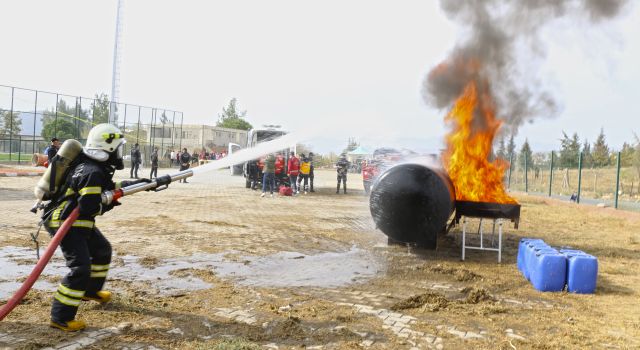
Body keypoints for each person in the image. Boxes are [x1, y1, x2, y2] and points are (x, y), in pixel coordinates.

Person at [43, 123, 150, 331]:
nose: (120, 152)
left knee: (102, 251)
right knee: (80, 268)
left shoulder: (93, 167)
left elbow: (110, 189)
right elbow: (91, 206)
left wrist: (143, 184)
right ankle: (60, 317)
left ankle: (90, 291)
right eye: (118, 148)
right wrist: (109, 200)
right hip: (65, 223)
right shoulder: (91, 171)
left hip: (77, 221)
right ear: (107, 148)